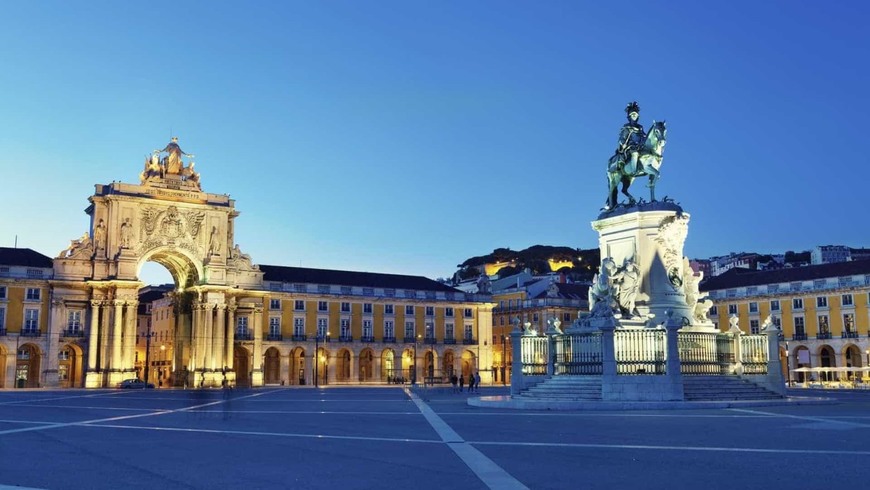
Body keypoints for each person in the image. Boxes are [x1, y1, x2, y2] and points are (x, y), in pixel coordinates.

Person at [613, 101, 646, 174]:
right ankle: (634, 171)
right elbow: (622, 138)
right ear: (630, 116)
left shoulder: (640, 127)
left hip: (640, 147)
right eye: (633, 114)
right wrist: (623, 144)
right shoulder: (626, 127)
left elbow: (644, 137)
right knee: (634, 154)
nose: (634, 115)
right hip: (629, 148)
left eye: (636, 114)